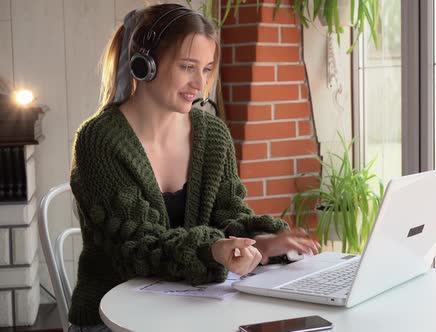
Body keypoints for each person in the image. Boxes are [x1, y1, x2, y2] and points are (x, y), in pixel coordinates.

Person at [68, 4, 318, 331]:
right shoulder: (100, 140)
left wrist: (262, 241)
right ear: (145, 64)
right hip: (114, 318)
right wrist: (212, 250)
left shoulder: (212, 135)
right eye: (188, 67)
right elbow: (136, 248)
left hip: (195, 310)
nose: (199, 84)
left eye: (206, 69)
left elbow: (229, 215)